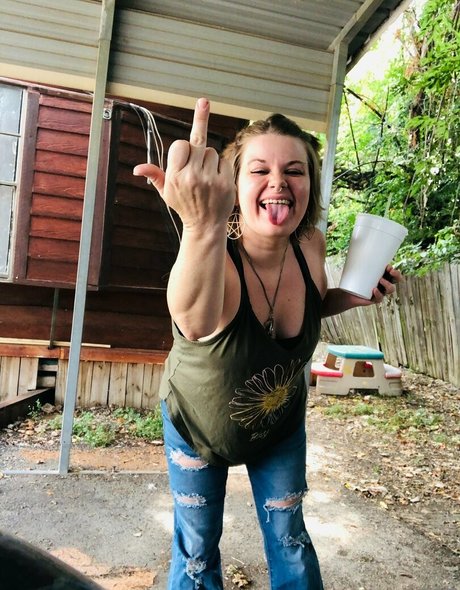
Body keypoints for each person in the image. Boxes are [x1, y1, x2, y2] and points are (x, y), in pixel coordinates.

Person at [133, 98, 402, 589]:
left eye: (294, 171)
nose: (279, 182)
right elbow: (192, 322)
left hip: (279, 424)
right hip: (197, 426)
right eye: (259, 170)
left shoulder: (310, 245)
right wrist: (201, 225)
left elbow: (308, 306)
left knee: (290, 539)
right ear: (234, 186)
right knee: (197, 553)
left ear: (310, 186)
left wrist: (351, 297)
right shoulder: (214, 255)